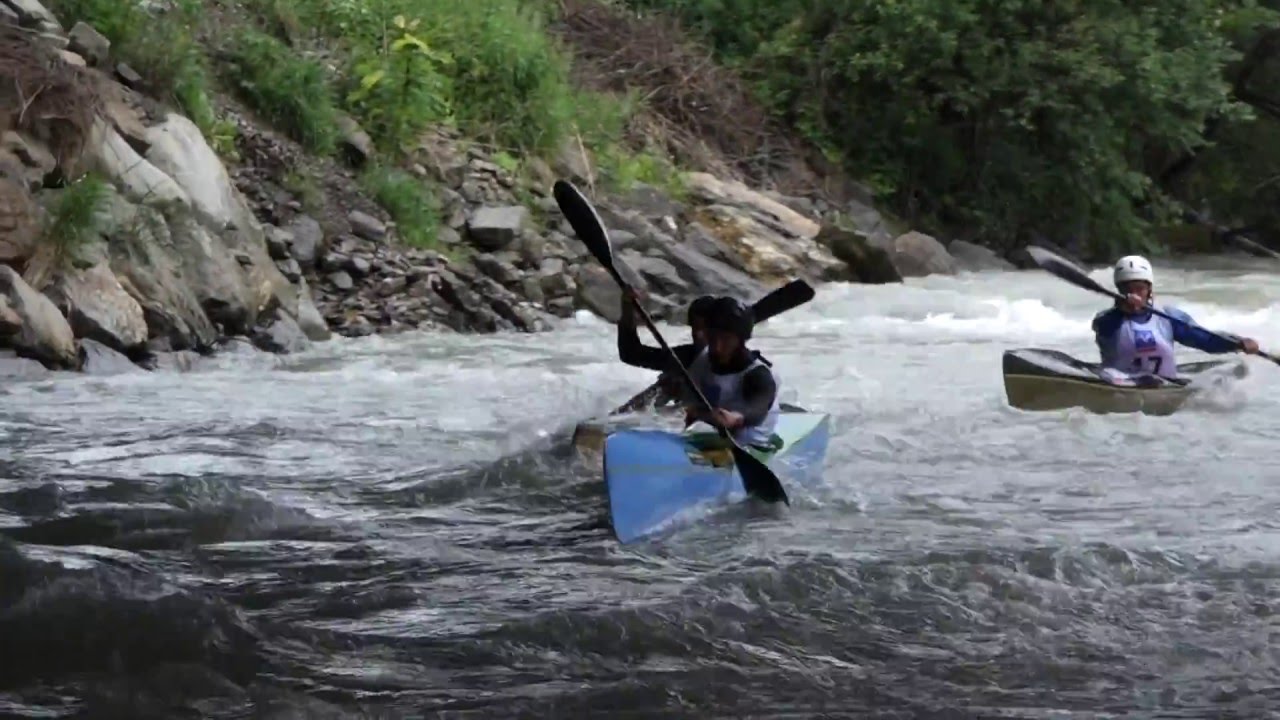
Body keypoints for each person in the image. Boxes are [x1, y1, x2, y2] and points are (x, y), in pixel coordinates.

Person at [1093, 255, 1260, 380]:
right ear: (1118, 291)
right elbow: (1103, 327)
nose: (1134, 294)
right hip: (1119, 381)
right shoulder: (1107, 320)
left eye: (1139, 288)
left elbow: (1204, 339)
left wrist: (1237, 343)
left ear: (1149, 290)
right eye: (1127, 289)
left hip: (1163, 383)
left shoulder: (1167, 317)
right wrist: (1123, 309)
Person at [681, 296, 782, 450]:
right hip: (711, 437)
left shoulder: (759, 375)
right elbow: (638, 354)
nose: (717, 347)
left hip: (752, 445)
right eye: (712, 337)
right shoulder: (700, 359)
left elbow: (758, 408)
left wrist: (736, 417)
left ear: (741, 340)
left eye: (726, 339)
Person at [613, 291, 717, 411]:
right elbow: (631, 354)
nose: (698, 335)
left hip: (716, 421)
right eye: (695, 327)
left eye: (707, 329)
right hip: (684, 419)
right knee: (668, 383)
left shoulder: (741, 368)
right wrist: (628, 312)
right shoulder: (687, 358)